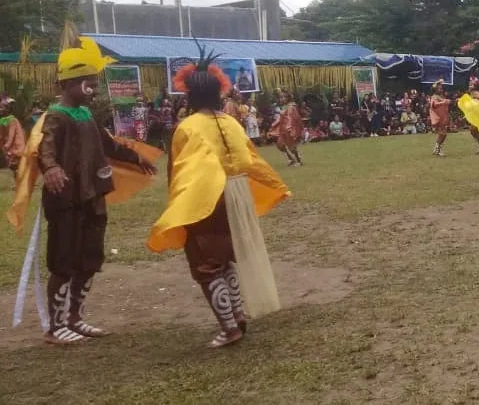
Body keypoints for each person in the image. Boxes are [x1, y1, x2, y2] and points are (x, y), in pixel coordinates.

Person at [7, 36, 158, 344]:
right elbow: (45, 146)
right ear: (68, 85)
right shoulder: (56, 116)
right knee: (64, 260)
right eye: (89, 83)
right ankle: (55, 326)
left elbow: (108, 145)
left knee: (89, 259)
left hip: (93, 197)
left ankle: (75, 318)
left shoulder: (86, 115)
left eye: (95, 83)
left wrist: (135, 157)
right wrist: (51, 168)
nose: (94, 89)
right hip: (66, 200)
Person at [148, 48, 290, 348]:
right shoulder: (231, 122)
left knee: (206, 262)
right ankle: (236, 313)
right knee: (225, 255)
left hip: (208, 197)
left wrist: (178, 205)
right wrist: (275, 185)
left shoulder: (187, 127)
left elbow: (178, 170)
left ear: (190, 95)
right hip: (237, 195)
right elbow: (251, 160)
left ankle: (229, 327)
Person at [269, 91, 304, 166]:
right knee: (280, 145)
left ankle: (298, 161)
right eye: (280, 97)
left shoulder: (291, 106)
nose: (281, 99)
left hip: (289, 128)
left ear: (288, 98)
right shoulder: (284, 106)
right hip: (283, 128)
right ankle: (291, 159)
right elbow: (282, 117)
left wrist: (290, 128)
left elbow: (291, 117)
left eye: (283, 97)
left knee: (291, 146)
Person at [1, 98, 25, 188]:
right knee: (14, 167)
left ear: (8, 109)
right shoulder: (3, 120)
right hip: (10, 147)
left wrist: (7, 145)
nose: (0, 109)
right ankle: (18, 184)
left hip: (16, 146)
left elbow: (11, 134)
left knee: (16, 165)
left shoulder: (12, 120)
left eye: (1, 107)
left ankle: (21, 184)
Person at [428, 80, 451, 157]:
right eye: (439, 89)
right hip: (438, 117)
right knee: (442, 134)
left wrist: (447, 102)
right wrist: (444, 102)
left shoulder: (441, 96)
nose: (441, 90)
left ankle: (437, 148)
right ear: (435, 90)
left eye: (441, 88)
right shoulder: (434, 97)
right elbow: (434, 104)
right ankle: (438, 149)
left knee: (443, 134)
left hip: (443, 117)